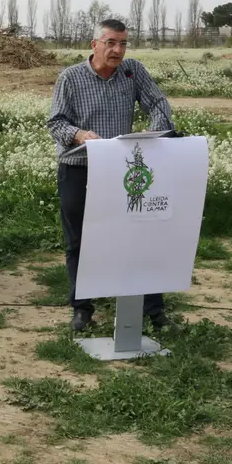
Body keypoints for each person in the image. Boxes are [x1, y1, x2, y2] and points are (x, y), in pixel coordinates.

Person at [46, 19, 175, 332]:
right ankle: (82, 308)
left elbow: (158, 102)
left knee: (138, 235)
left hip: (122, 169)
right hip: (79, 169)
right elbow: (56, 122)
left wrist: (156, 128)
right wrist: (78, 135)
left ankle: (153, 309)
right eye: (111, 43)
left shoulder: (132, 71)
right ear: (95, 45)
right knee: (78, 240)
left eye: (123, 43)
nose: (118, 50)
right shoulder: (71, 77)